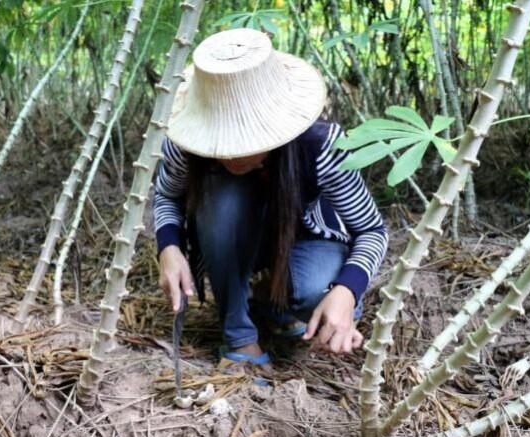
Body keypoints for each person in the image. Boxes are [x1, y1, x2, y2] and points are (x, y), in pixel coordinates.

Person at [153, 28, 388, 367]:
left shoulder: (320, 146)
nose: (230, 151)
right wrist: (169, 247)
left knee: (316, 299)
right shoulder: (185, 144)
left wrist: (347, 292)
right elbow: (166, 197)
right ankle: (239, 335)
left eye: (245, 136)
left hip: (304, 238)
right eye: (219, 137)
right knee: (225, 195)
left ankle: (273, 302)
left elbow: (371, 231)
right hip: (226, 233)